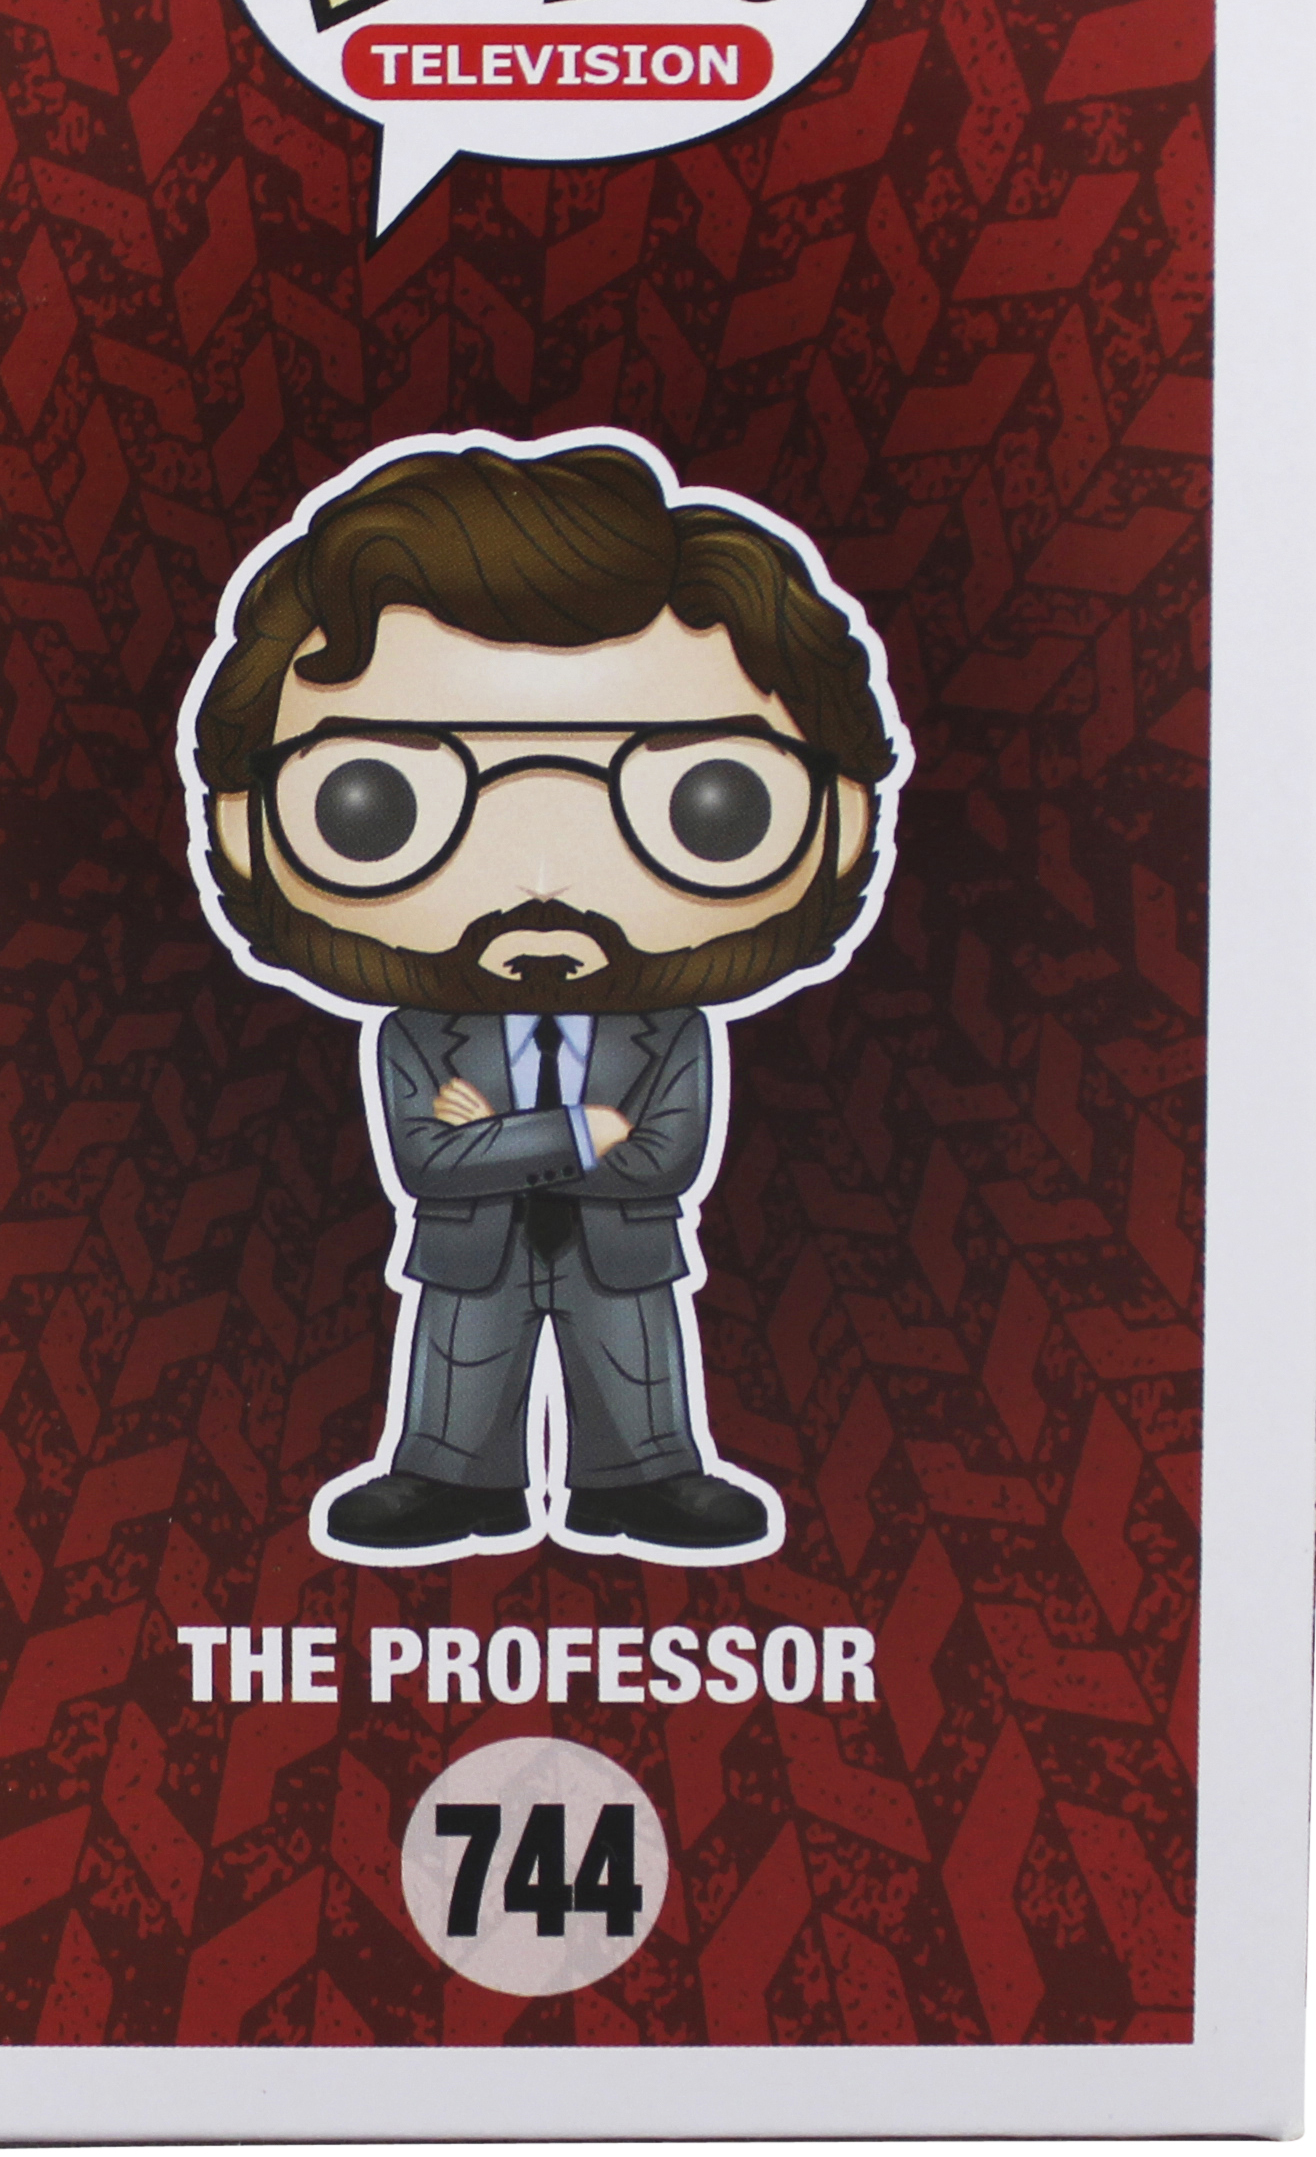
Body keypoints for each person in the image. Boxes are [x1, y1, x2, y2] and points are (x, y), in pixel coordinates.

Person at [182, 431, 905, 1564]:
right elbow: (426, 1160)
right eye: (375, 802)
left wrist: (505, 1138)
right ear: (239, 825)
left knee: (637, 1375)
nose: (543, 876)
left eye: (709, 801)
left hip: (627, 1253)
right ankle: (449, 1481)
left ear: (845, 819)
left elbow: (665, 1157)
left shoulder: (674, 1027)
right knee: (460, 1375)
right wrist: (579, 1131)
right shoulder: (419, 1028)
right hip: (468, 1253)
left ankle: (645, 1479)